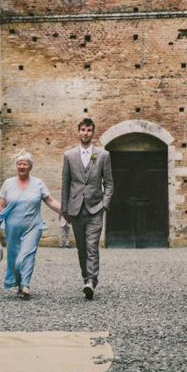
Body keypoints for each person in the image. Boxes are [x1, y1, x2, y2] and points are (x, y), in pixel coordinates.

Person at [0, 151, 61, 300]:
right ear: (16, 166)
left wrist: (65, 211)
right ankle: (18, 283)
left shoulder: (38, 183)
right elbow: (1, 205)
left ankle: (25, 285)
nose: (22, 166)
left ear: (30, 167)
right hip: (12, 228)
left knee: (26, 256)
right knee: (14, 259)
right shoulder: (8, 183)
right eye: (19, 163)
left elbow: (50, 200)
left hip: (33, 226)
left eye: (25, 164)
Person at [61, 118, 114, 300]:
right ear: (78, 132)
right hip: (75, 210)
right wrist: (64, 211)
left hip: (95, 209)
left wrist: (104, 205)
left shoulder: (103, 155)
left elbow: (109, 184)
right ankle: (86, 277)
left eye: (89, 130)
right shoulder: (69, 156)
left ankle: (91, 281)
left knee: (92, 246)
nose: (85, 133)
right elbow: (65, 184)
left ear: (93, 133)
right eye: (82, 130)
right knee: (81, 249)